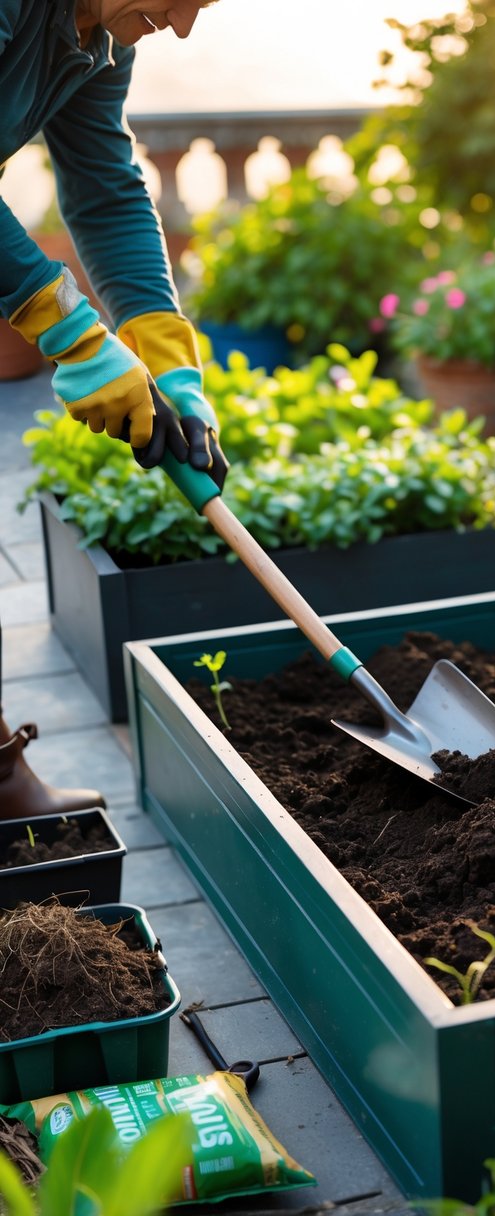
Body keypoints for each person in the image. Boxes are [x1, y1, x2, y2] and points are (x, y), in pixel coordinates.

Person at [0, 0, 228, 817]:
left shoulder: (96, 36)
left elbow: (102, 186)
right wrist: (73, 333)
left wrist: (171, 364)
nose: (185, 25)